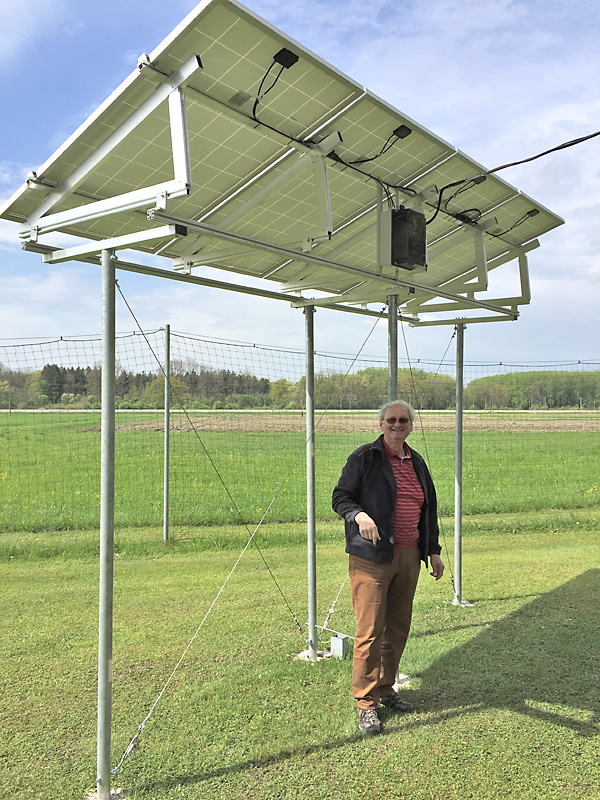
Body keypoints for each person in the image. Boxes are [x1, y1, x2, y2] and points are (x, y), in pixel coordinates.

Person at [332, 400, 444, 735]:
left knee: (397, 627)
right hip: (372, 557)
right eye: (391, 420)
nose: (397, 425)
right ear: (381, 424)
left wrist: (433, 551)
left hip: (409, 555)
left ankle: (385, 687)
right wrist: (359, 515)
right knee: (370, 631)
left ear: (411, 425)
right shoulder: (365, 457)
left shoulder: (417, 462)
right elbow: (340, 497)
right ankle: (366, 703)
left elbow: (428, 509)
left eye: (403, 420)